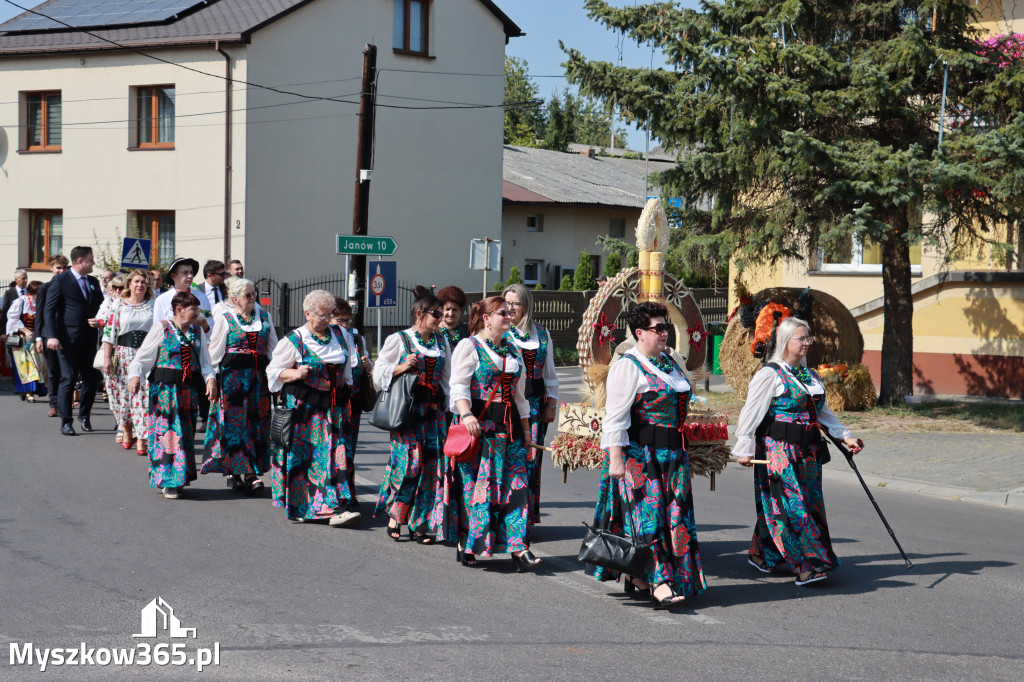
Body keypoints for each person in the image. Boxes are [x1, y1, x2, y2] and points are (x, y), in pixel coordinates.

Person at [591, 301, 704, 608]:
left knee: (676, 517)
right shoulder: (628, 365)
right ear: (640, 333)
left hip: (673, 455)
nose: (664, 333)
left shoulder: (669, 363)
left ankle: (641, 575)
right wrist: (616, 458)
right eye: (658, 329)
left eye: (665, 327)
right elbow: (615, 417)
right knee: (649, 520)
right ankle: (658, 580)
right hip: (641, 455)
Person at [734, 316, 859, 586]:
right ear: (785, 341)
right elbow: (751, 412)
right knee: (791, 505)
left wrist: (845, 436)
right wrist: (743, 446)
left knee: (805, 503)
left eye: (808, 338)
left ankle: (760, 553)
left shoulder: (810, 375)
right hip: (777, 449)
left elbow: (822, 413)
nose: (806, 343)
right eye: (801, 338)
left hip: (809, 450)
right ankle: (805, 565)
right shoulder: (770, 374)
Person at [446, 296, 540, 571]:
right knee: (477, 489)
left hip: (509, 430)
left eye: (510, 312)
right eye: (502, 312)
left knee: (517, 487)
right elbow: (458, 387)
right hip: (479, 429)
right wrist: (466, 415)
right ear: (486, 318)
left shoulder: (514, 350)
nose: (508, 315)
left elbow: (520, 397)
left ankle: (519, 548)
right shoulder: (470, 346)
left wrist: (527, 434)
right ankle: (467, 541)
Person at [266, 290, 360, 527]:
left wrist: (347, 392)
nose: (327, 320)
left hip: (334, 407)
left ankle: (335, 503)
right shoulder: (294, 339)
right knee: (309, 458)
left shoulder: (341, 334)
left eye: (330, 315)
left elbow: (348, 369)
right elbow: (273, 372)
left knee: (334, 455)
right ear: (307, 313)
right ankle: (317, 506)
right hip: (304, 409)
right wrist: (295, 372)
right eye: (322, 315)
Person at [372, 290, 452, 543]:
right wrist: (402, 366)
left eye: (441, 314)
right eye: (436, 314)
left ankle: (421, 522)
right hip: (408, 412)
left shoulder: (442, 342)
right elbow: (378, 373)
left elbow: (448, 379)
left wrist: (452, 412)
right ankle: (397, 513)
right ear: (420, 314)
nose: (440, 319)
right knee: (409, 463)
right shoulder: (399, 339)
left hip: (434, 413)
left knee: (431, 467)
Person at [127, 291, 217, 500]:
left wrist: (210, 379)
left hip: (188, 392)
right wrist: (135, 377)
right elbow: (142, 358)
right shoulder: (162, 328)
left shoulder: (197, 331)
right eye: (193, 309)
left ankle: (180, 477)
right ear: (179, 310)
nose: (197, 313)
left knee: (185, 434)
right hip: (165, 392)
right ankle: (168, 481)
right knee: (167, 435)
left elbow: (205, 362)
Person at [201, 277, 278, 494]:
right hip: (232, 381)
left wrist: (279, 377)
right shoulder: (225, 319)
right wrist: (212, 381)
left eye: (253, 294)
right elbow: (214, 355)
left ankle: (250, 472)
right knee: (234, 426)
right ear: (235, 299)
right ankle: (239, 472)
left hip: (257, 381)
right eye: (248, 295)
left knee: (256, 424)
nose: (253, 298)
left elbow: (274, 350)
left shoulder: (265, 317)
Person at [503, 284, 558, 527]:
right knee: (508, 461)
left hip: (535, 407)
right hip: (507, 407)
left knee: (531, 461)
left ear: (526, 305)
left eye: (516, 303)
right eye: (507, 303)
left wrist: (551, 405)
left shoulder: (542, 334)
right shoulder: (501, 333)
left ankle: (524, 519)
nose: (511, 308)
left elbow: (550, 374)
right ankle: (505, 517)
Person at [43, 246, 105, 436]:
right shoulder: (60, 281)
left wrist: (100, 320)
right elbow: (49, 309)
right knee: (68, 378)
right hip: (66, 339)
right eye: (91, 260)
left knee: (90, 379)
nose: (94, 263)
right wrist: (51, 335)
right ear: (80, 261)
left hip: (89, 338)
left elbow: (102, 307)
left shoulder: (93, 282)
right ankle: (66, 421)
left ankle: (84, 416)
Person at [101, 270, 155, 454]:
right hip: (123, 355)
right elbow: (109, 334)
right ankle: (127, 430)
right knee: (124, 397)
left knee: (143, 398)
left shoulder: (152, 305)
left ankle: (141, 439)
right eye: (137, 281)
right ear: (129, 284)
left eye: (144, 282)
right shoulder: (119, 305)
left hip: (146, 356)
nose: (140, 285)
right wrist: (107, 358)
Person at [332, 298, 373, 503]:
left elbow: (367, 364)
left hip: (354, 401)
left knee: (350, 448)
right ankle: (338, 492)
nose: (346, 326)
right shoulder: (328, 338)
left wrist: (367, 364)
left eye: (348, 321)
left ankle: (348, 491)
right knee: (336, 447)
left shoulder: (356, 338)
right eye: (341, 321)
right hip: (334, 402)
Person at [34, 255, 68, 417]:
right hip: (50, 335)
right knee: (53, 371)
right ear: (51, 269)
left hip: (68, 335)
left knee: (67, 371)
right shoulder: (44, 288)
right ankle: (53, 404)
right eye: (58, 268)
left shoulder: (71, 287)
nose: (61, 271)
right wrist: (39, 338)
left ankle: (65, 402)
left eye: (64, 268)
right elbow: (39, 314)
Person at [6, 280, 47, 402]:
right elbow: (12, 318)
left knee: (38, 365)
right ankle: (28, 392)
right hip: (23, 339)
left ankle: (32, 390)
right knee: (27, 366)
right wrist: (25, 330)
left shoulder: (41, 303)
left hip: (36, 339)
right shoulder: (21, 301)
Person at [153, 258, 211, 328]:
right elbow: (157, 329)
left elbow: (211, 330)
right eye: (185, 273)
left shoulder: (202, 298)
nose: (190, 276)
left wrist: (205, 326)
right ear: (173, 276)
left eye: (191, 272)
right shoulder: (162, 300)